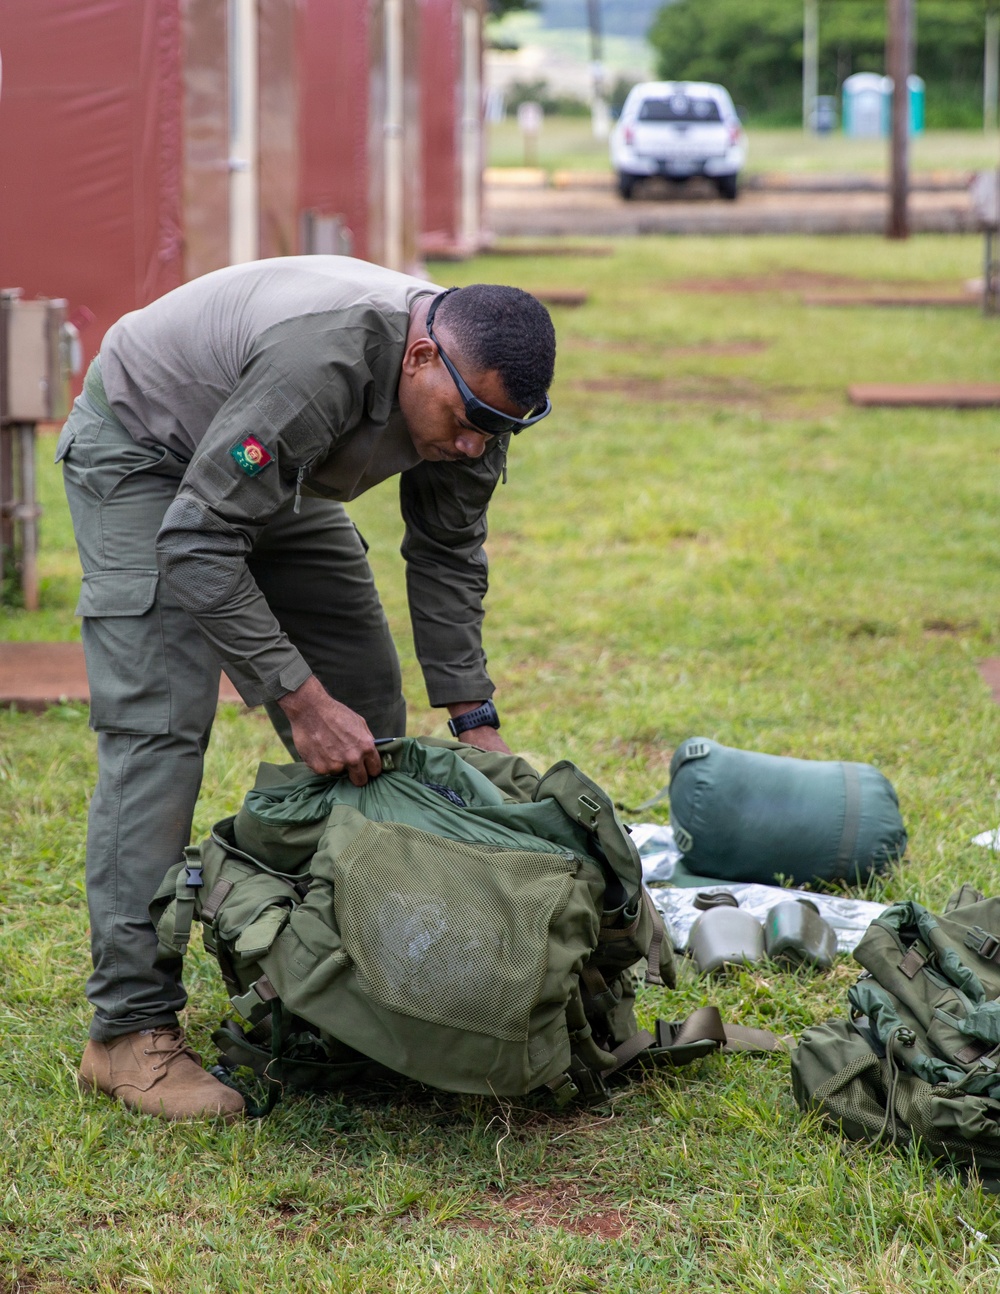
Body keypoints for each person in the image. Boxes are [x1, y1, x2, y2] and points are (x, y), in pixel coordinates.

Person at [59, 256, 556, 1120]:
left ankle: (334, 977)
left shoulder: (477, 405)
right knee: (161, 733)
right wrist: (295, 694)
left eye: (501, 429)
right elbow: (197, 540)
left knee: (369, 713)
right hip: (150, 452)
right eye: (470, 419)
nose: (476, 443)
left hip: (269, 464)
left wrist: (474, 717)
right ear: (420, 359)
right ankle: (127, 1034)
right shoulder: (322, 359)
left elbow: (444, 552)